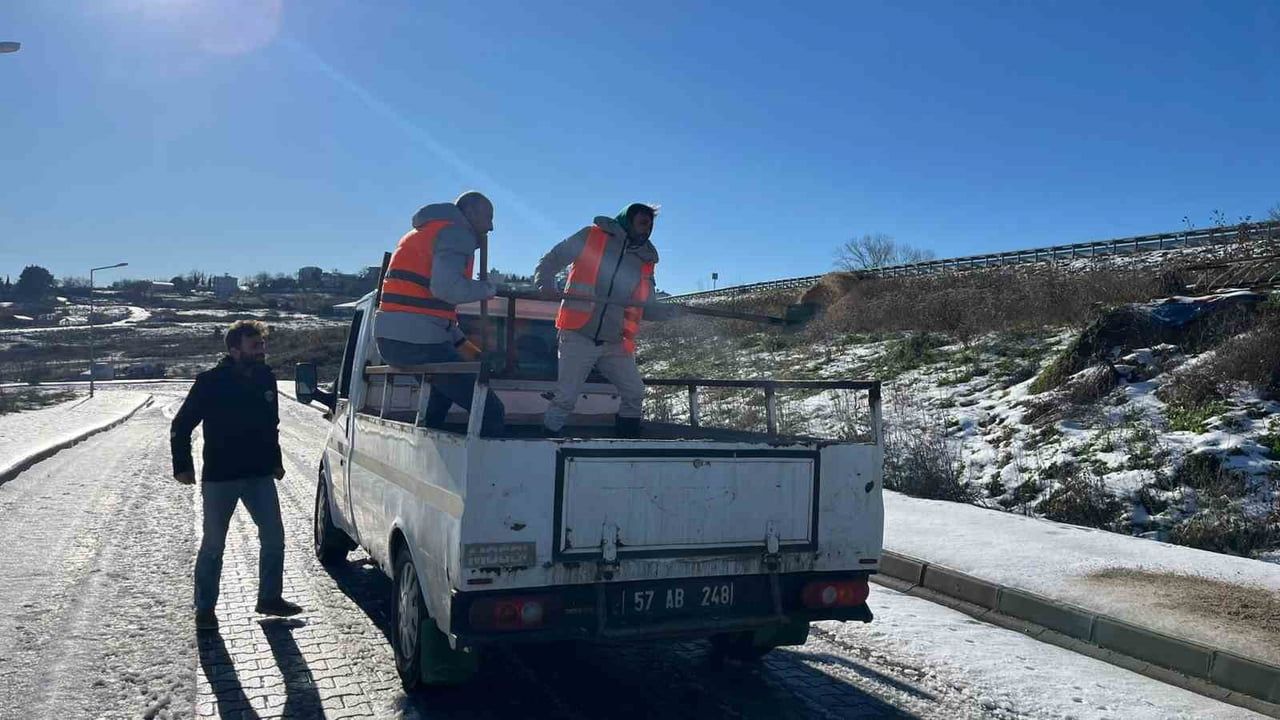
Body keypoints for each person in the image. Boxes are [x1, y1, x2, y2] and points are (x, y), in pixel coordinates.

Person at [171, 320, 302, 631]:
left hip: (259, 475)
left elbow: (271, 426)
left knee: (274, 538)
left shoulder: (265, 378)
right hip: (220, 476)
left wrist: (275, 461)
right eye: (254, 345)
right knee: (214, 544)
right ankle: (204, 610)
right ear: (234, 349)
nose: (261, 351)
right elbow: (181, 425)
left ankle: (269, 598)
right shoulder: (210, 382)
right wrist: (183, 466)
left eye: (262, 345)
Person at [534, 203, 673, 437]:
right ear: (627, 221)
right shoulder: (591, 236)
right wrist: (544, 282)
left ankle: (628, 439)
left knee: (635, 392)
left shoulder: (646, 259)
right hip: (579, 332)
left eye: (650, 225)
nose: (647, 229)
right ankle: (546, 440)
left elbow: (646, 306)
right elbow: (552, 259)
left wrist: (666, 313)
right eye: (642, 223)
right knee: (566, 397)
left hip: (614, 340)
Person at [373, 191, 505, 436]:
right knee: (491, 410)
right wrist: (487, 289)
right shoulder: (457, 233)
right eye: (488, 217)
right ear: (471, 212)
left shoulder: (427, 231)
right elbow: (447, 289)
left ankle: (428, 447)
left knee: (441, 396)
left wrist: (475, 354)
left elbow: (438, 317)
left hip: (398, 339)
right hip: (416, 340)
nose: (491, 227)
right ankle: (485, 469)